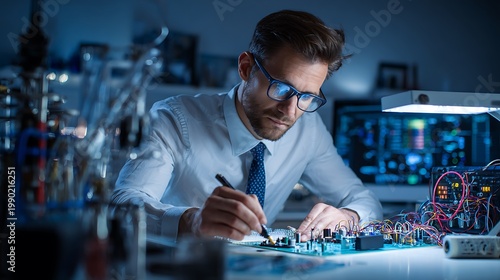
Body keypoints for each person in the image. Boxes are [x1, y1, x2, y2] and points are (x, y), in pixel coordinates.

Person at [111, 9, 383, 242]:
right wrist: (191, 222)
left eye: (307, 97)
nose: (290, 111)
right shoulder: (174, 118)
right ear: (245, 68)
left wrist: (348, 216)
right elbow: (122, 204)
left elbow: (364, 200)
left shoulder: (308, 131)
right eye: (281, 88)